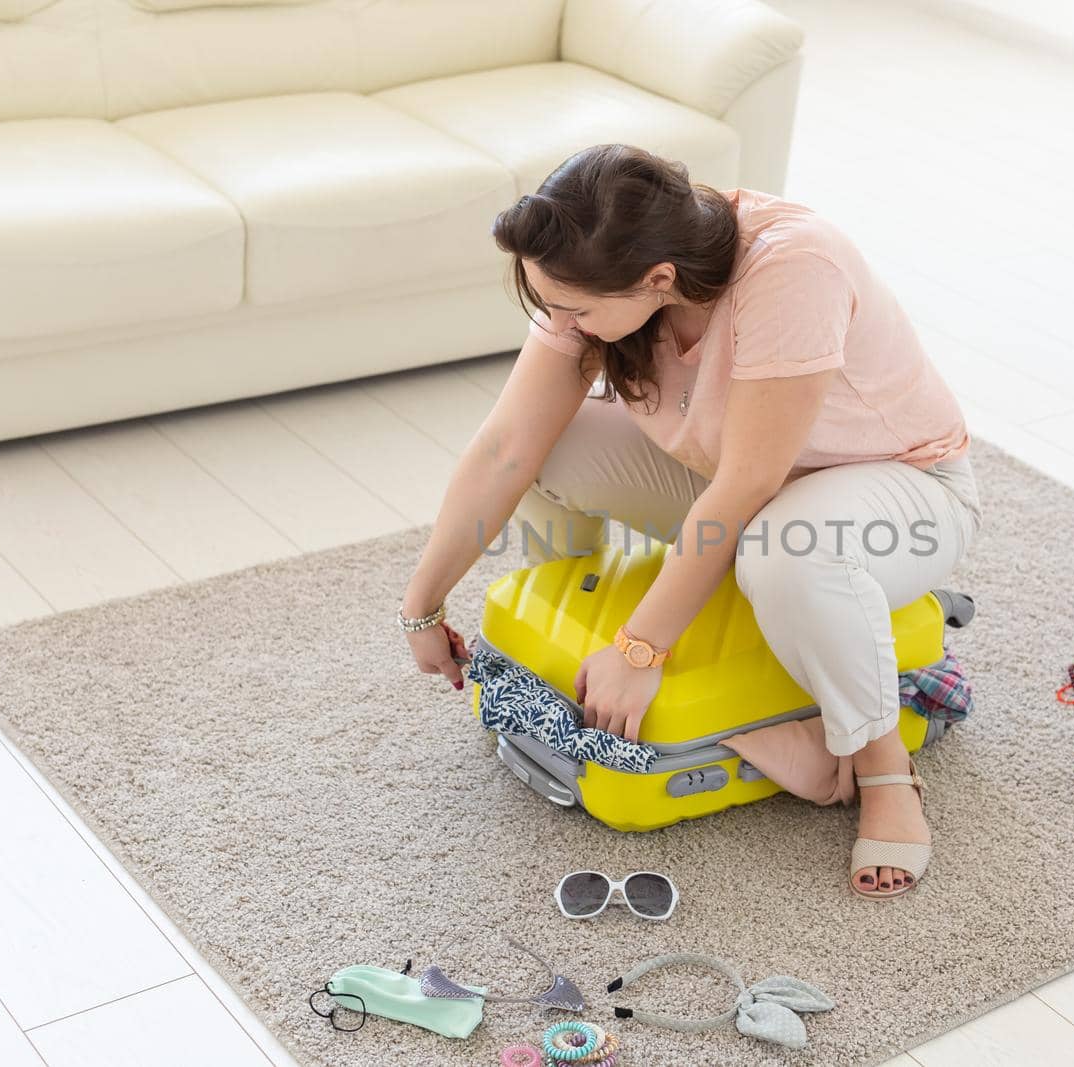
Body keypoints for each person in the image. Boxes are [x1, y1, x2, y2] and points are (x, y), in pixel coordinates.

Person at [400, 144, 983, 900]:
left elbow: (747, 487)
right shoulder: (607, 264)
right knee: (549, 445)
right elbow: (505, 446)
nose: (561, 322)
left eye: (575, 309)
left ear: (660, 279)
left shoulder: (796, 268)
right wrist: (422, 606)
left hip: (903, 491)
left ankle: (878, 766)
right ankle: (569, 620)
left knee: (783, 552)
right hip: (747, 483)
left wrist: (640, 648)